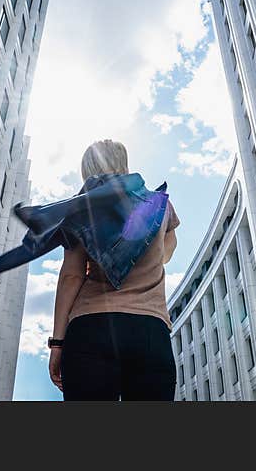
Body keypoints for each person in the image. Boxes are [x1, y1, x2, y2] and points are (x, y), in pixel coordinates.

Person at [49, 140, 179, 401]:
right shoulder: (159, 204)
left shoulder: (81, 208)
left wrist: (58, 344)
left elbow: (71, 276)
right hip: (150, 330)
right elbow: (166, 252)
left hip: (90, 328)